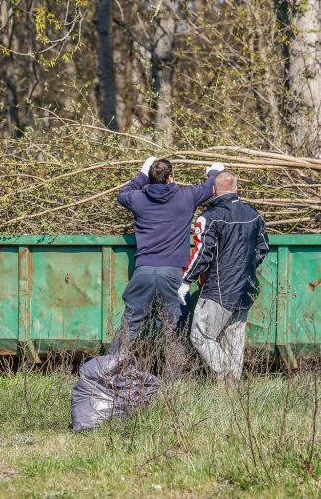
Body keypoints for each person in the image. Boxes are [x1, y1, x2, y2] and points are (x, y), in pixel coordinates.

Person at [108, 157, 225, 354]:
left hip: (143, 272)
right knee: (174, 328)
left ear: (150, 179)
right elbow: (208, 189)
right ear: (171, 178)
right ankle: (174, 381)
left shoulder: (138, 199)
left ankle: (109, 369)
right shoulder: (186, 196)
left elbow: (122, 194)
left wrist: (141, 176)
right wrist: (213, 172)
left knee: (130, 325)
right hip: (172, 274)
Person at [178, 171, 269, 380]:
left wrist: (186, 281)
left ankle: (226, 373)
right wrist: (246, 269)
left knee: (200, 336)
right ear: (236, 188)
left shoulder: (209, 217)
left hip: (218, 289)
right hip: (246, 288)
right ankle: (231, 390)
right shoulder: (254, 214)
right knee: (233, 340)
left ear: (213, 190)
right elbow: (263, 248)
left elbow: (202, 253)